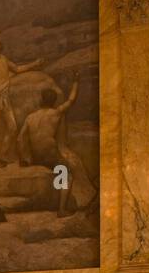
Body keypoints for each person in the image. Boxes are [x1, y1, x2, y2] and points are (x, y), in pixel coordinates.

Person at [16, 73, 96, 214]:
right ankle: (61, 209)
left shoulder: (30, 117)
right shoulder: (56, 113)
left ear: (41, 100)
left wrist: (24, 158)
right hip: (50, 156)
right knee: (66, 173)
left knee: (58, 169)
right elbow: (71, 100)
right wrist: (76, 82)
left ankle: (58, 201)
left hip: (36, 157)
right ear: (54, 101)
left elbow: (20, 139)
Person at [0, 29, 41, 166]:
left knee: (12, 127)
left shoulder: (3, 59)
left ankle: (2, 155)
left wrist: (35, 64)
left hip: (5, 97)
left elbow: (17, 69)